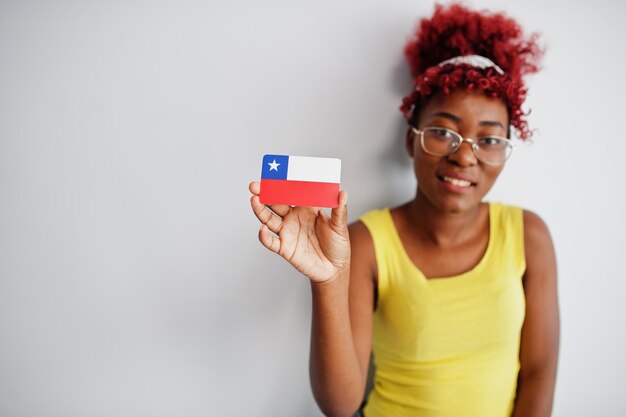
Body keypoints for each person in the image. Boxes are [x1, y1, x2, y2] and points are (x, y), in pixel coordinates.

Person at [249, 3, 559, 417]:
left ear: (506, 151)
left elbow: (538, 372)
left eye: (489, 140)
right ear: (411, 140)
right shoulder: (367, 242)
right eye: (443, 132)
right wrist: (328, 281)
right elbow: (341, 405)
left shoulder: (529, 236)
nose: (464, 157)